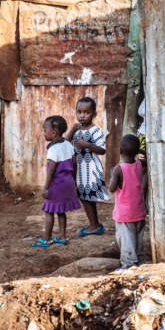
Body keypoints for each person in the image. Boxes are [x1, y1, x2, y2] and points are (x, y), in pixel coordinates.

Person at [33, 115, 80, 248]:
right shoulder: (67, 144)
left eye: (45, 131)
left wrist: (46, 188)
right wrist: (74, 180)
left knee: (49, 211)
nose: (43, 134)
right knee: (61, 210)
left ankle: (47, 238)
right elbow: (74, 163)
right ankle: (62, 236)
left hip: (57, 185)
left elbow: (51, 171)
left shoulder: (53, 149)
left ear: (53, 133)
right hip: (68, 183)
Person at [65, 96, 108, 237]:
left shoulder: (96, 131)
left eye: (86, 112)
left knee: (87, 195)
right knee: (83, 195)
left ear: (94, 114)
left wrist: (87, 145)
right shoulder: (77, 131)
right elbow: (65, 143)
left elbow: (102, 150)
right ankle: (93, 223)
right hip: (80, 170)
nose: (81, 115)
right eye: (79, 112)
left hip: (91, 169)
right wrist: (71, 131)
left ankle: (95, 226)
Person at [108, 135, 148, 270]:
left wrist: (112, 175)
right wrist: (140, 151)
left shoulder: (118, 169)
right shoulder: (139, 164)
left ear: (120, 151)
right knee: (137, 239)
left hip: (125, 214)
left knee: (126, 240)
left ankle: (128, 266)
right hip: (139, 210)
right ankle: (140, 262)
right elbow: (149, 160)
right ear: (137, 152)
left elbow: (112, 189)